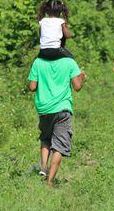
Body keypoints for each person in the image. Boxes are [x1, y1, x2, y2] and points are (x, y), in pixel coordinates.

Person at [28, 56, 86, 187]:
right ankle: (49, 183)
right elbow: (77, 86)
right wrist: (82, 77)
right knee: (58, 146)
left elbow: (32, 87)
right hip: (62, 109)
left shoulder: (38, 62)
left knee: (46, 138)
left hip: (44, 108)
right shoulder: (69, 62)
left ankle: (43, 167)